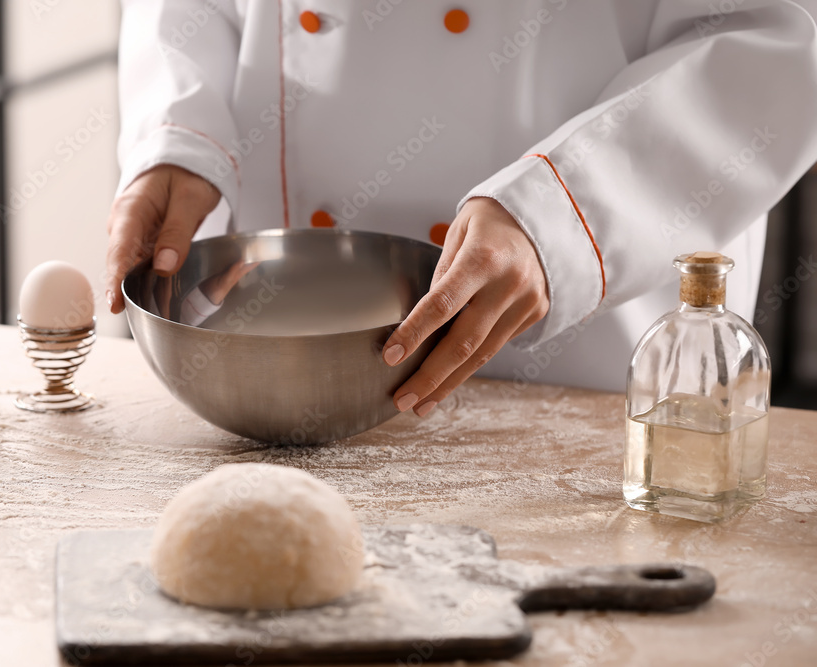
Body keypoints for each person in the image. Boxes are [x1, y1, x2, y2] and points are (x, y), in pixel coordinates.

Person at [105, 0, 817, 416]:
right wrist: (179, 134)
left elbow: (775, 38)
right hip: (274, 372)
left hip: (589, 374)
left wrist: (564, 215)